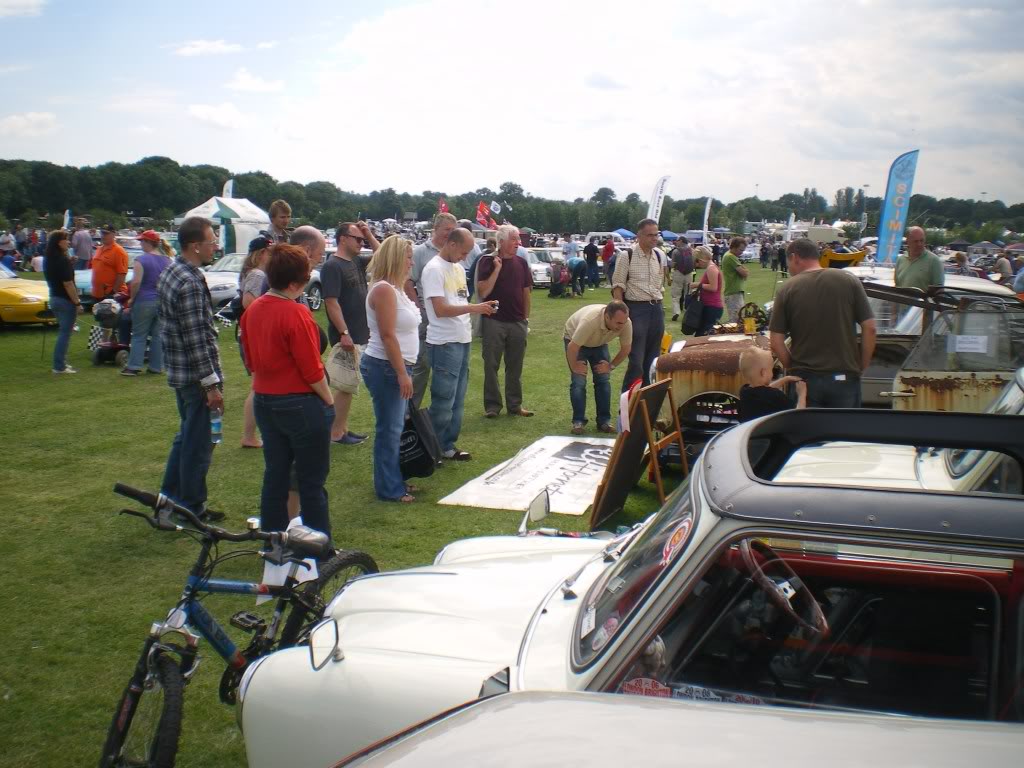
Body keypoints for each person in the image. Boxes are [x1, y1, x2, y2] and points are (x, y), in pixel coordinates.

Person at [241, 244, 335, 538]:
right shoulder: (296, 314)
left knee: (275, 476)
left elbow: (251, 359)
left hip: (265, 401)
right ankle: (320, 546)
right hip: (299, 403)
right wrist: (328, 400)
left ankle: (273, 541)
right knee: (311, 482)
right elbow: (311, 369)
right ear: (296, 282)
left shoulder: (253, 309)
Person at [158, 216, 225, 523]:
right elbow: (196, 337)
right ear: (195, 246)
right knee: (197, 445)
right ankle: (192, 509)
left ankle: (168, 501)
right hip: (196, 378)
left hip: (180, 374)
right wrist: (211, 385)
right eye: (212, 241)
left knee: (185, 438)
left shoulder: (172, 271)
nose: (216, 246)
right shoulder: (190, 281)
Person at [769, 238, 877, 408]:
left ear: (795, 257)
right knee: (843, 433)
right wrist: (861, 366)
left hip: (804, 380)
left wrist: (793, 368)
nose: (788, 268)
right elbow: (870, 328)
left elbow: (775, 341)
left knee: (807, 433)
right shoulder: (849, 280)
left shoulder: (787, 289)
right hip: (844, 376)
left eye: (788, 262)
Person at [422, 228, 498, 460]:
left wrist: (477, 308)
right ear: (451, 244)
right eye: (463, 251)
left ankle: (447, 445)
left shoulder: (456, 267)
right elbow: (440, 309)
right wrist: (476, 308)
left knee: (457, 399)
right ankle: (432, 450)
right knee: (443, 400)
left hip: (462, 339)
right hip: (444, 342)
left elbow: (458, 300)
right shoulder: (434, 269)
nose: (465, 257)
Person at [361, 236, 421, 502]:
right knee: (390, 428)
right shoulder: (384, 290)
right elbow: (387, 335)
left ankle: (396, 478)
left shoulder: (394, 289)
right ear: (396, 258)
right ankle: (389, 488)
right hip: (386, 366)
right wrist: (401, 373)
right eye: (408, 257)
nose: (411, 262)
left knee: (397, 427)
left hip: (395, 364)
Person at [321, 221, 379, 445]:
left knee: (350, 384)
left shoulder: (355, 261)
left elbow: (382, 255)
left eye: (362, 240)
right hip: (347, 335)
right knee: (345, 386)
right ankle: (335, 433)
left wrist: (368, 233)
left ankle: (341, 427)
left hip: (359, 333)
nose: (361, 243)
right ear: (343, 239)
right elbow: (331, 302)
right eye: (357, 239)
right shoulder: (332, 266)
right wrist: (343, 332)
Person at [477, 224, 535, 417]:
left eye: (518, 239)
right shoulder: (487, 261)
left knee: (515, 366)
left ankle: (515, 405)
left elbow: (526, 292)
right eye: (514, 239)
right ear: (501, 242)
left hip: (518, 321)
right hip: (494, 320)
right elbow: (483, 291)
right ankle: (493, 407)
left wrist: (526, 318)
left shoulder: (522, 263)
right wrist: (496, 270)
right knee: (491, 365)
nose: (518, 243)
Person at [408, 212, 458, 408]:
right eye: (447, 230)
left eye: (453, 231)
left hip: (448, 319)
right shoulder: (420, 252)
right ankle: (410, 413)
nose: (450, 234)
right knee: (421, 366)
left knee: (444, 367)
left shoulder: (453, 253)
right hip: (426, 319)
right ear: (435, 229)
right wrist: (419, 309)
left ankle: (438, 412)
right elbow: (408, 282)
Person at [611, 218, 665, 390]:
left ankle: (646, 401)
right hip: (636, 310)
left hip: (656, 309)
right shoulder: (627, 255)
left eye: (656, 235)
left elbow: (659, 283)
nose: (654, 238)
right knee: (636, 361)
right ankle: (628, 403)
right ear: (639, 236)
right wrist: (621, 313)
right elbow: (618, 286)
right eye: (650, 235)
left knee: (653, 361)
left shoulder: (658, 255)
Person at [563, 301, 632, 434]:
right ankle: (578, 422)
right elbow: (573, 347)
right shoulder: (590, 321)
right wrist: (574, 366)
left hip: (599, 342)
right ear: (607, 317)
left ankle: (604, 421)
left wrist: (610, 366)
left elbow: (626, 348)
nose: (622, 326)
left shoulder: (626, 323)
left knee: (603, 379)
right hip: (575, 340)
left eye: (624, 322)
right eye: (618, 323)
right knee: (578, 381)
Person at [121, 230, 172, 375]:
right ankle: (156, 366)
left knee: (139, 335)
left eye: (142, 241)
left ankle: (134, 366)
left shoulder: (141, 260)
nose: (140, 243)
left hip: (144, 300)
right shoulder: (167, 260)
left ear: (148, 243)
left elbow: (136, 282)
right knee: (157, 335)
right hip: (162, 301)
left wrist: (131, 298)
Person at [238, 236, 272, 448]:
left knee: (259, 386)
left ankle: (251, 434)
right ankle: (249, 435)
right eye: (269, 252)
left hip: (251, 334)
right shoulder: (258, 274)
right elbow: (249, 303)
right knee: (258, 387)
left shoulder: (252, 273)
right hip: (256, 335)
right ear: (261, 254)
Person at [43, 229, 83, 374]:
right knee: (65, 334)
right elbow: (68, 284)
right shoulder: (62, 260)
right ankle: (59, 366)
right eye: (66, 240)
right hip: (65, 300)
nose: (68, 242)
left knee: (63, 332)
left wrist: (69, 263)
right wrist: (77, 303)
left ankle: (61, 363)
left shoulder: (49, 259)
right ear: (59, 243)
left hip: (54, 297)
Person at [737, 346, 806, 422]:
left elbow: (765, 390)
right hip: (771, 432)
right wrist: (802, 395)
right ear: (763, 373)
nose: (772, 373)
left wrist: (785, 379)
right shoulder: (775, 396)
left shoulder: (744, 391)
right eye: (771, 369)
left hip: (751, 432)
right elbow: (799, 416)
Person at [894, 226, 944, 291]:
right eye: (915, 241)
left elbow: (939, 291)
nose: (919, 244)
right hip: (903, 300)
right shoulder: (900, 260)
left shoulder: (934, 261)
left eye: (921, 240)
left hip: (923, 301)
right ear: (907, 241)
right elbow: (897, 286)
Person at [691, 246, 723, 336]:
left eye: (697, 261)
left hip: (712, 306)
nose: (697, 264)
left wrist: (698, 285)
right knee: (702, 333)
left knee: (703, 334)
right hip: (709, 305)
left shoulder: (711, 268)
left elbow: (713, 287)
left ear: (702, 259)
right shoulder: (711, 267)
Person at [91, 225, 129, 299]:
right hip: (97, 294)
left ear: (113, 234)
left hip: (110, 295)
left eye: (106, 234)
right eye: (102, 233)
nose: (103, 236)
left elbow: (121, 274)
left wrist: (113, 292)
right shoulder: (99, 249)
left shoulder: (119, 251)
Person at [721, 236, 749, 323]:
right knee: (736, 321)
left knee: (739, 319)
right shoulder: (730, 257)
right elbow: (744, 273)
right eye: (741, 250)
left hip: (734, 292)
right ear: (734, 247)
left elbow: (745, 273)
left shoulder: (730, 256)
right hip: (733, 293)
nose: (742, 252)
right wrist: (744, 272)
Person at [668, 237, 694, 321]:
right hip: (689, 274)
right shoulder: (692, 250)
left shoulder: (676, 251)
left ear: (681, 241)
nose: (676, 242)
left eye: (677, 240)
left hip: (678, 273)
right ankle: (689, 311)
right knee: (689, 294)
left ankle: (676, 312)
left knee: (676, 295)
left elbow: (673, 265)